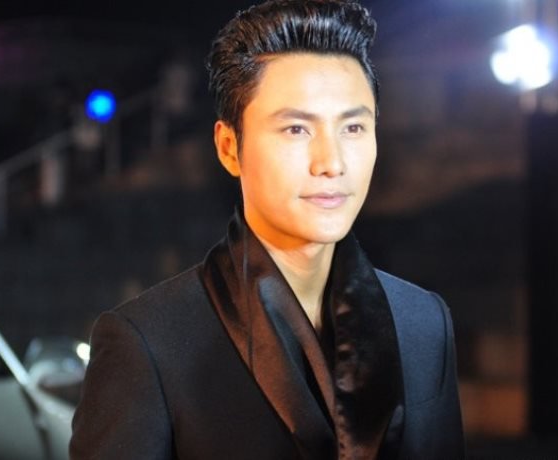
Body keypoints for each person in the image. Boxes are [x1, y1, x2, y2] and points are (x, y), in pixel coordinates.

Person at [70, 1, 464, 459]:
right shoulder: (147, 343)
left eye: (354, 127)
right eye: (296, 129)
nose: (331, 163)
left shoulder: (424, 322)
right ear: (229, 147)